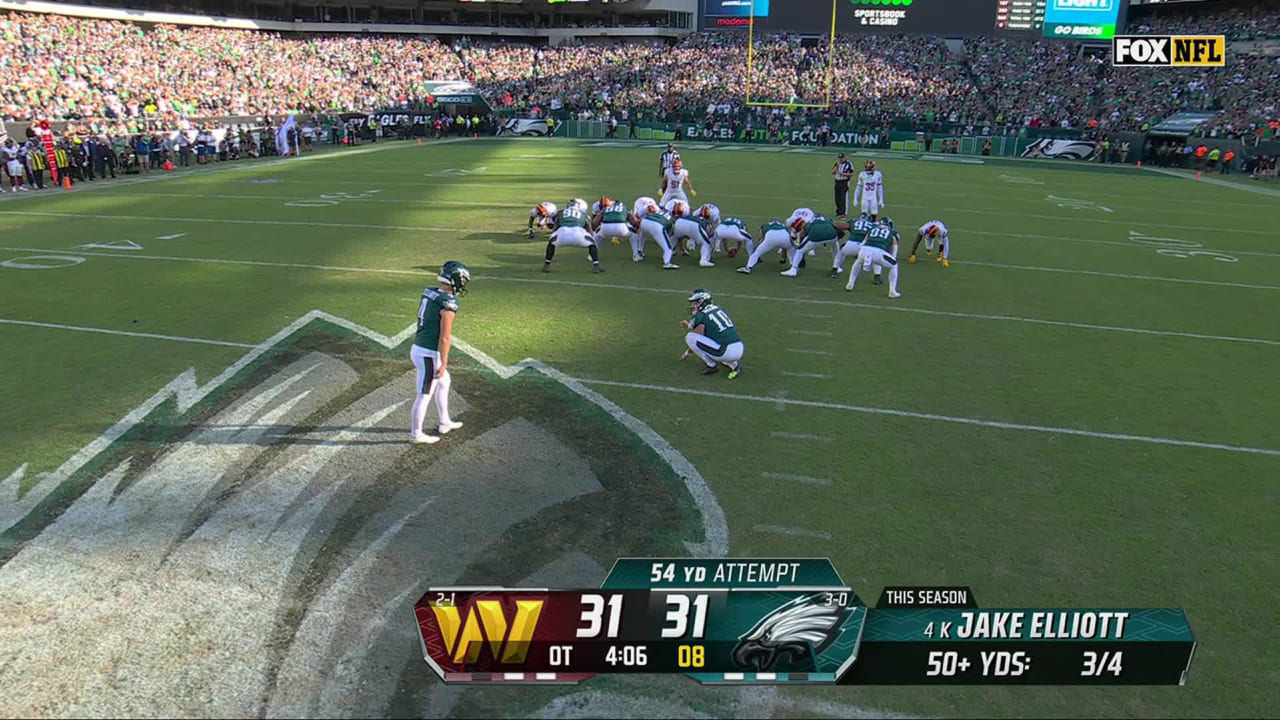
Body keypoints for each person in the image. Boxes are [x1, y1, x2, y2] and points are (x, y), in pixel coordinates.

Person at [410, 260, 470, 444]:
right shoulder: (448, 302)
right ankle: (416, 434)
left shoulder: (430, 292)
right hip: (429, 353)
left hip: (420, 347)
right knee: (424, 394)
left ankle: (444, 421)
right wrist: (443, 362)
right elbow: (445, 337)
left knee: (444, 382)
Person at [680, 289, 744, 379]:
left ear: (702, 302)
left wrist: (687, 353)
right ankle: (735, 365)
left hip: (725, 351)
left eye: (695, 303)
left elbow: (697, 337)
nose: (692, 306)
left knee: (690, 337)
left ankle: (711, 365)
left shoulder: (700, 315)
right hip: (739, 348)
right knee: (719, 343)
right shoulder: (719, 308)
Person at [544, 198, 604, 273]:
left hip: (562, 233)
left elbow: (555, 227)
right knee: (593, 244)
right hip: (579, 234)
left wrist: (553, 237)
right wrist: (591, 238)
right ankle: (596, 266)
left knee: (551, 243)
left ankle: (547, 265)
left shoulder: (560, 212)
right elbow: (588, 227)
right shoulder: (584, 214)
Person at [846, 218, 901, 299]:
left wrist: (862, 254)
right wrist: (893, 257)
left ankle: (850, 283)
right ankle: (892, 291)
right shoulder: (893, 233)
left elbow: (863, 242)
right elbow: (894, 245)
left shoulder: (872, 229)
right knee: (894, 265)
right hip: (879, 252)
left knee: (857, 262)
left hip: (864, 250)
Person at [781, 214, 848, 278]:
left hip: (815, 236)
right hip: (832, 235)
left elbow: (803, 234)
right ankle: (837, 267)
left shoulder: (808, 222)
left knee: (800, 250)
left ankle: (793, 269)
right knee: (835, 244)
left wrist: (800, 244)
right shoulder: (827, 219)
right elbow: (836, 225)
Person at [832, 152, 854, 218]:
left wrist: (843, 174)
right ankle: (839, 212)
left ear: (845, 157)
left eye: (842, 158)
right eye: (839, 158)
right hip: (837, 182)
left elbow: (852, 174)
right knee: (837, 198)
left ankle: (843, 213)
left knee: (843, 198)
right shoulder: (837, 163)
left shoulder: (849, 164)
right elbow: (833, 172)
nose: (840, 159)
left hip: (844, 182)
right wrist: (837, 166)